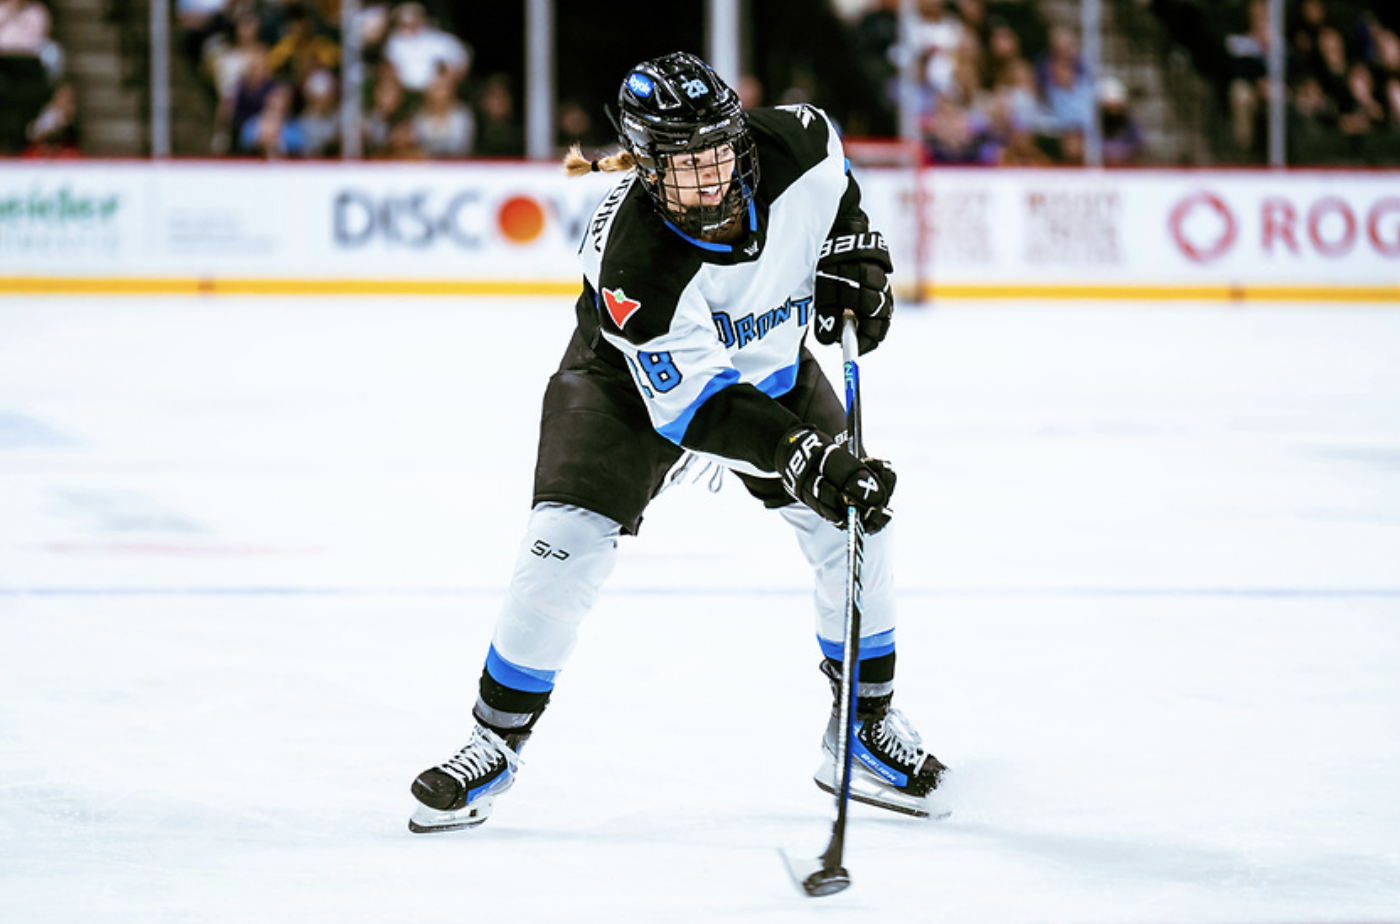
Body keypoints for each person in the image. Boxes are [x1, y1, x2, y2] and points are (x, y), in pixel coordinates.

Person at [408, 51, 947, 833]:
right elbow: (694, 409)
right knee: (562, 543)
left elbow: (840, 203)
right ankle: (494, 741)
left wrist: (854, 254)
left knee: (857, 523)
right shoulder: (632, 261)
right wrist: (799, 454)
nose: (711, 178)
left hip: (768, 366)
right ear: (646, 165)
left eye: (720, 153)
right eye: (687, 164)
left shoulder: (800, 142)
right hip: (626, 387)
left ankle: (863, 728)